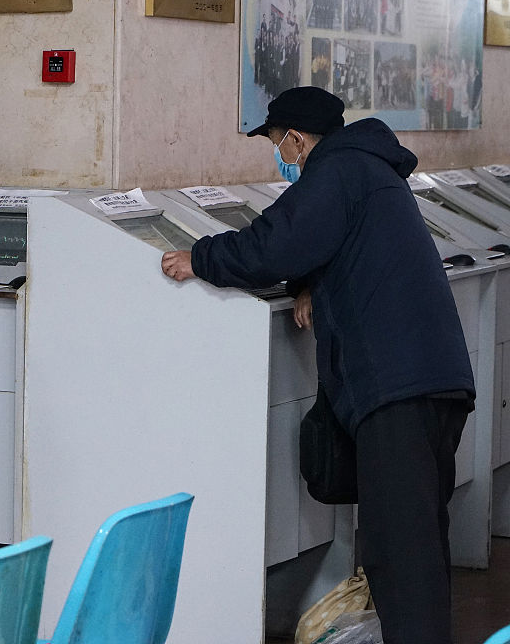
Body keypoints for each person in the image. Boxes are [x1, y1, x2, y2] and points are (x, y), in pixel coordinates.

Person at [160, 86, 474, 644]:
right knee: (416, 545)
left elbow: (272, 247)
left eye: (279, 143)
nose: (280, 154)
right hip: (430, 378)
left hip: (397, 387)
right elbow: (333, 246)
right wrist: (309, 284)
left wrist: (199, 257)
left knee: (401, 556)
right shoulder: (370, 170)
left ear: (298, 139)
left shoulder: (337, 172)